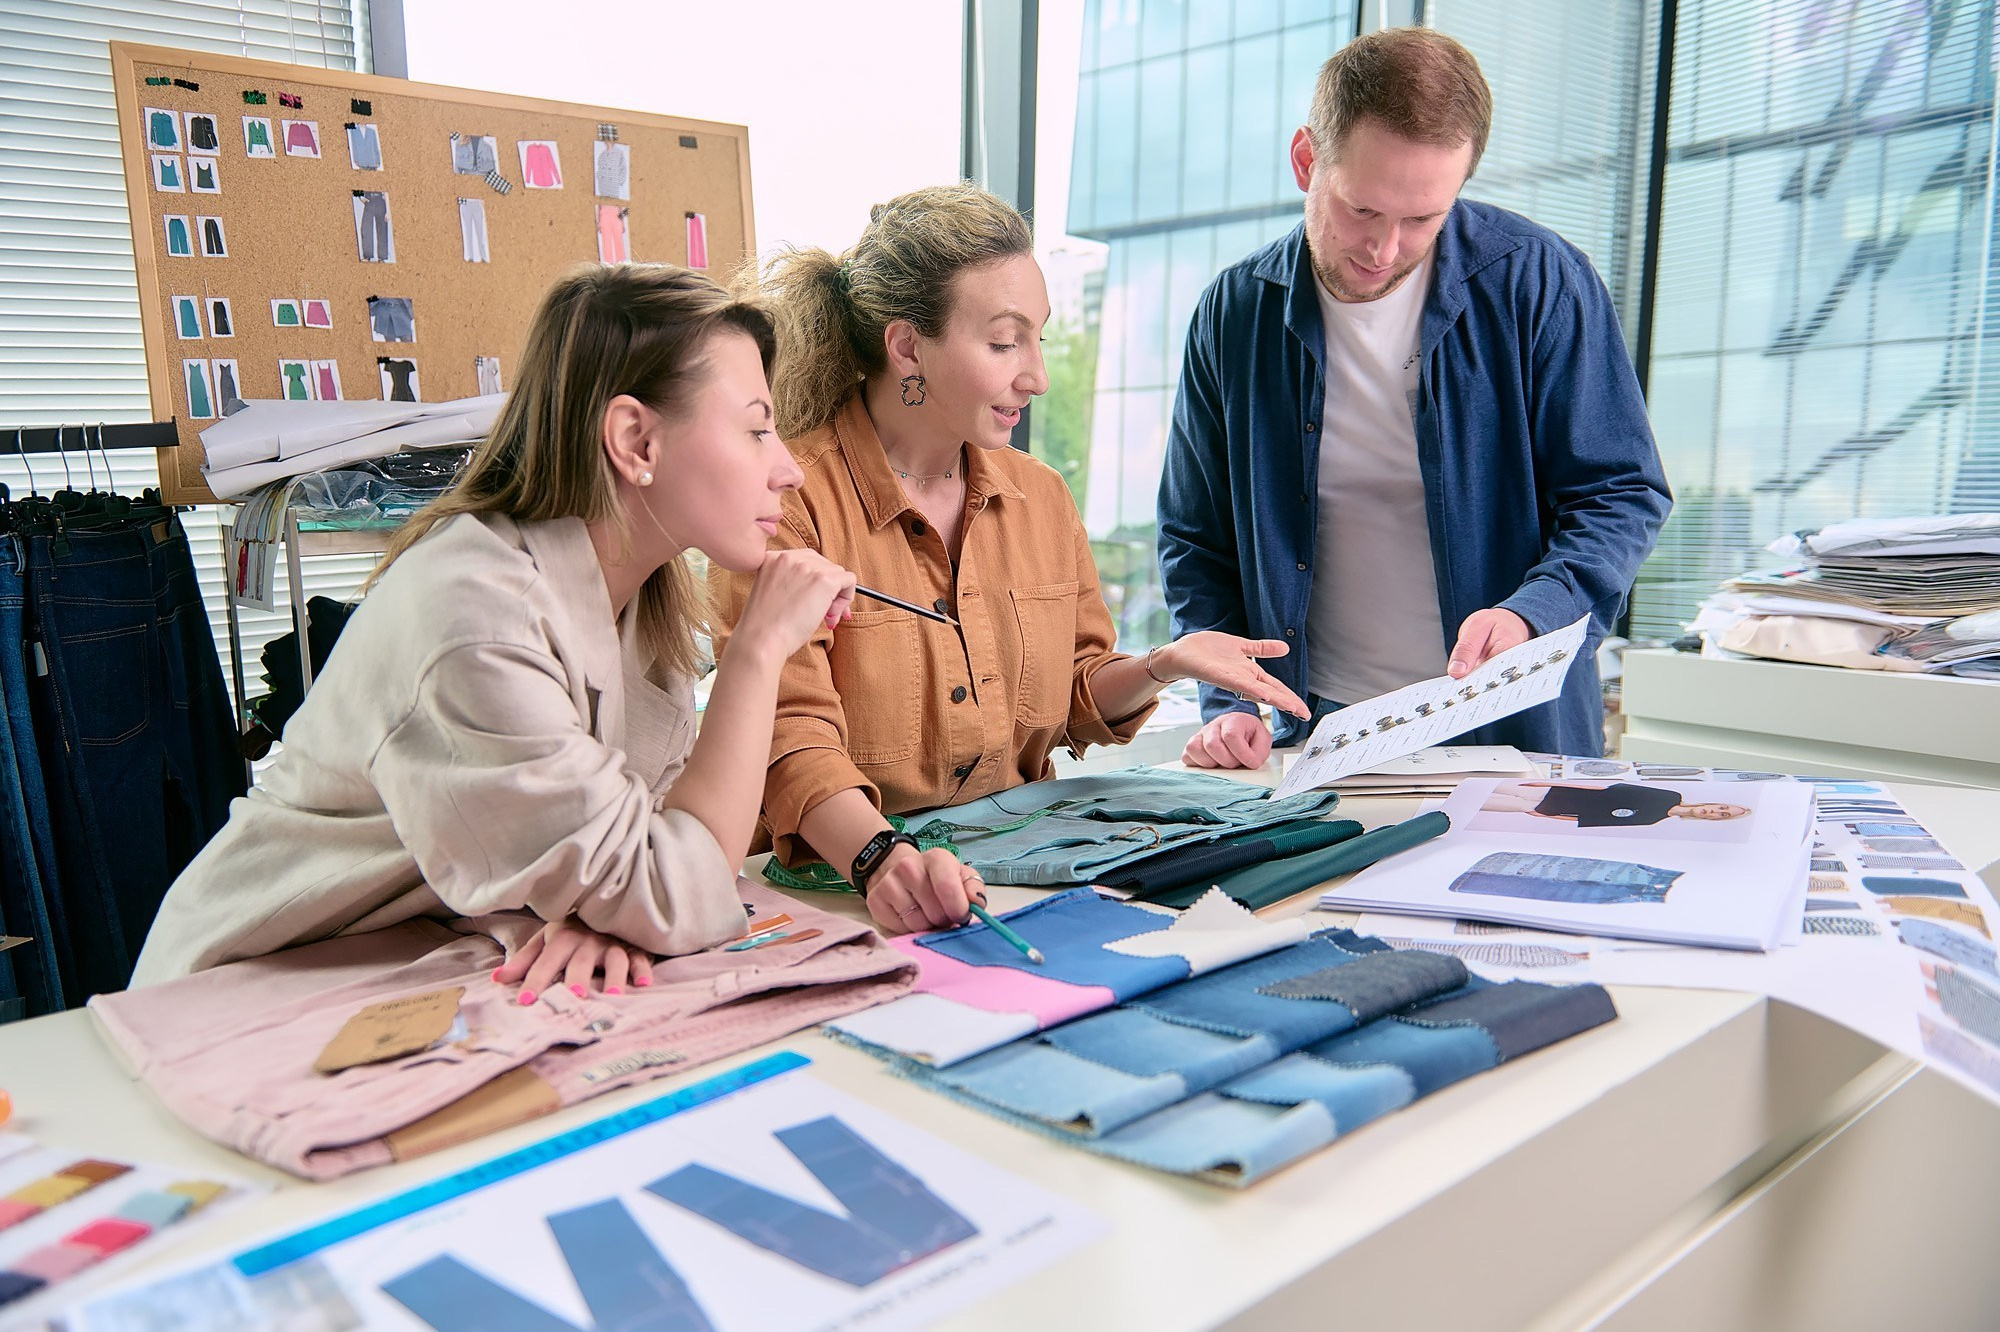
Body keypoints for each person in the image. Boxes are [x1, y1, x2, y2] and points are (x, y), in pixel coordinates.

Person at [132, 265, 857, 994]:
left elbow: (671, 852)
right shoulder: (473, 612)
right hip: (253, 983)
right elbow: (676, 896)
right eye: (758, 429)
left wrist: (599, 909)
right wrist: (758, 651)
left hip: (420, 959)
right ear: (636, 441)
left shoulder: (646, 596)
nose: (788, 469)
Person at [713, 184, 1308, 938]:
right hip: (848, 900)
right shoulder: (789, 499)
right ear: (906, 347)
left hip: (1018, 882)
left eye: (1039, 340)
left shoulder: (1041, 497)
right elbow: (788, 735)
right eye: (1003, 343)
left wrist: (1168, 662)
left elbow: (1078, 695)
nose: (1037, 376)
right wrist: (882, 862)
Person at [1158, 28, 1672, 771]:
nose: (1385, 250)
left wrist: (1535, 613)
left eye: (1423, 219)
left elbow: (1622, 494)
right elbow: (1196, 540)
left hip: (1513, 728)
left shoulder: (1542, 282)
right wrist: (1234, 699)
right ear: (1307, 161)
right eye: (1361, 211)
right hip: (1326, 734)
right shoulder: (1234, 314)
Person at [1481, 781, 1749, 828]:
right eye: (1721, 807)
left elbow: (1590, 821)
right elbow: (1607, 789)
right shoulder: (1668, 795)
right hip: (1558, 791)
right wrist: (1544, 785)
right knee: (1488, 788)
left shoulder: (1652, 821)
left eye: (1722, 816)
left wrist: (1546, 817)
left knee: (1488, 804)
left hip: (1552, 809)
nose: (1716, 812)